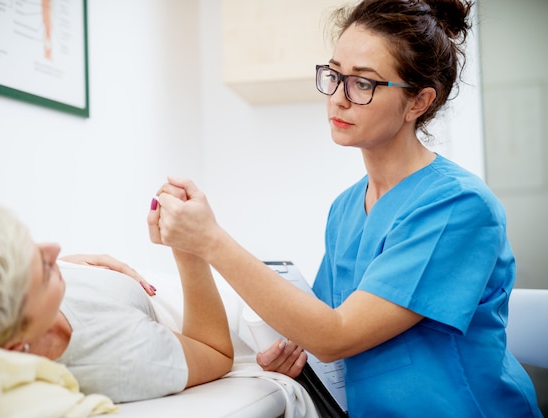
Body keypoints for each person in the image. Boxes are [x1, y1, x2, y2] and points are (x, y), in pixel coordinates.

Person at [148, 0, 543, 416]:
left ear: (418, 103)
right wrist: (296, 357)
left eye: (363, 84)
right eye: (334, 75)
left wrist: (210, 240)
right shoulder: (346, 209)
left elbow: (335, 334)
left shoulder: (459, 207)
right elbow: (321, 335)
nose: (338, 98)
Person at [0, 198, 234, 403]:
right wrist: (189, 249)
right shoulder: (128, 357)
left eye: (31, 243)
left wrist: (63, 268)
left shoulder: (13, 302)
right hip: (222, 305)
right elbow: (216, 350)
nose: (55, 249)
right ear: (16, 346)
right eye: (45, 269)